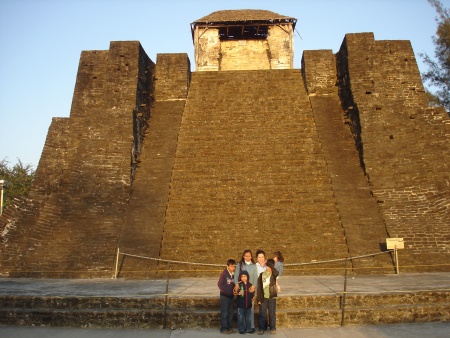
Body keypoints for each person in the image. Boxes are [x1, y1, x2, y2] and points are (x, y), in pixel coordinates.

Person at [234, 249, 258, 333]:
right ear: (243, 256)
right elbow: (236, 275)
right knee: (242, 310)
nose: (248, 257)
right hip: (242, 290)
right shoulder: (239, 265)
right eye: (246, 256)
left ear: (251, 257)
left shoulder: (254, 265)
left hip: (250, 289)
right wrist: (237, 285)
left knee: (250, 309)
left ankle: (250, 326)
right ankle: (242, 327)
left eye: (249, 256)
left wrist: (254, 286)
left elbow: (255, 277)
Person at [256, 258, 279, 335]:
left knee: (272, 313)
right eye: (267, 266)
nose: (268, 268)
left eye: (270, 266)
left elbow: (277, 273)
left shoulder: (273, 274)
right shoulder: (262, 275)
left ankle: (272, 328)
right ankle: (261, 328)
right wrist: (259, 298)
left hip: (272, 297)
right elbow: (259, 288)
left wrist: (272, 267)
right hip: (264, 297)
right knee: (262, 313)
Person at [218, 259, 236, 334]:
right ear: (227, 266)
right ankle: (224, 328)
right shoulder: (224, 274)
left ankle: (229, 327)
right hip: (224, 297)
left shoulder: (234, 274)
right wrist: (226, 291)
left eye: (234, 266)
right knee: (224, 313)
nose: (233, 268)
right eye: (231, 266)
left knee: (230, 313)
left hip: (231, 297)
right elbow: (219, 284)